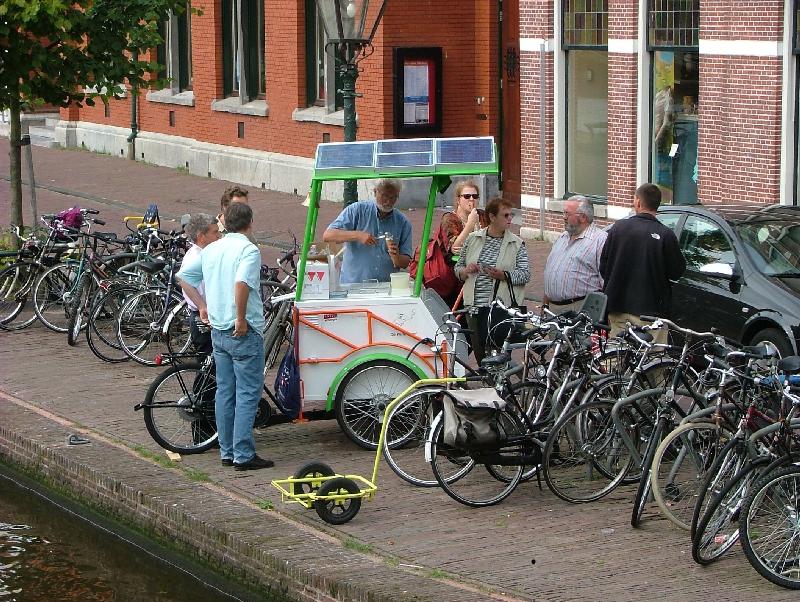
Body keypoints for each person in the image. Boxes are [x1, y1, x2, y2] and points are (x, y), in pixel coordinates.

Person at [177, 202, 272, 471]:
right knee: (247, 393)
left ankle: (226, 451)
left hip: (218, 331)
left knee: (225, 391)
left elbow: (183, 278)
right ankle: (243, 454)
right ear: (250, 222)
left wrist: (202, 306)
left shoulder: (211, 249)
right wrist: (240, 318)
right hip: (242, 330)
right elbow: (242, 284)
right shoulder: (248, 250)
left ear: (225, 223)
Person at [600, 183, 686, 341]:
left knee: (617, 352)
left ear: (638, 202)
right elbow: (676, 271)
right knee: (652, 354)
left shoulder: (618, 228)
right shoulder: (665, 235)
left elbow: (604, 267)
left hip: (618, 307)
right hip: (651, 313)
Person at [455, 196, 530, 362]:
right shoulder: (473, 238)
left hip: (500, 310)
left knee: (500, 356)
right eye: (505, 215)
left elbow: (525, 274)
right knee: (481, 355)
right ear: (492, 217)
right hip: (474, 307)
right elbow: (458, 268)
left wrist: (503, 275)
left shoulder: (516, 243)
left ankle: (504, 379)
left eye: (511, 215)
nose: (510, 219)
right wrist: (466, 271)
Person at [322, 179, 412, 284]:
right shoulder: (357, 210)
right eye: (385, 196)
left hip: (386, 286)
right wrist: (358, 235)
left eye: (393, 198)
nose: (388, 202)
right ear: (375, 192)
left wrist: (396, 257)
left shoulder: (403, 222)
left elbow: (405, 262)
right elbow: (328, 235)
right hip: (354, 284)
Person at [542, 195, 607, 315]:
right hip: (552, 310)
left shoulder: (600, 241)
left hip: (580, 310)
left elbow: (606, 281)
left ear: (583, 217)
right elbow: (551, 271)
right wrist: (545, 303)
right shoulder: (562, 237)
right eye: (564, 213)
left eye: (567, 213)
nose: (564, 217)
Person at [181, 213, 221, 354]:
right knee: (207, 360)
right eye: (215, 232)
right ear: (201, 236)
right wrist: (202, 306)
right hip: (203, 318)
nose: (219, 236)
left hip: (205, 315)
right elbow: (183, 280)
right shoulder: (196, 257)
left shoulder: (204, 253)